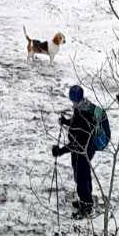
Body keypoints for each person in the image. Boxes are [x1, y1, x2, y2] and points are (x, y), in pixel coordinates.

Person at [51, 85, 96, 218]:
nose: (72, 102)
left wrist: (60, 151)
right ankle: (86, 201)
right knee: (84, 176)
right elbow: (76, 124)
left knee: (81, 179)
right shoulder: (83, 107)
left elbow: (77, 143)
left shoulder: (82, 112)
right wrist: (66, 122)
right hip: (85, 149)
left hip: (82, 150)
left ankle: (87, 208)